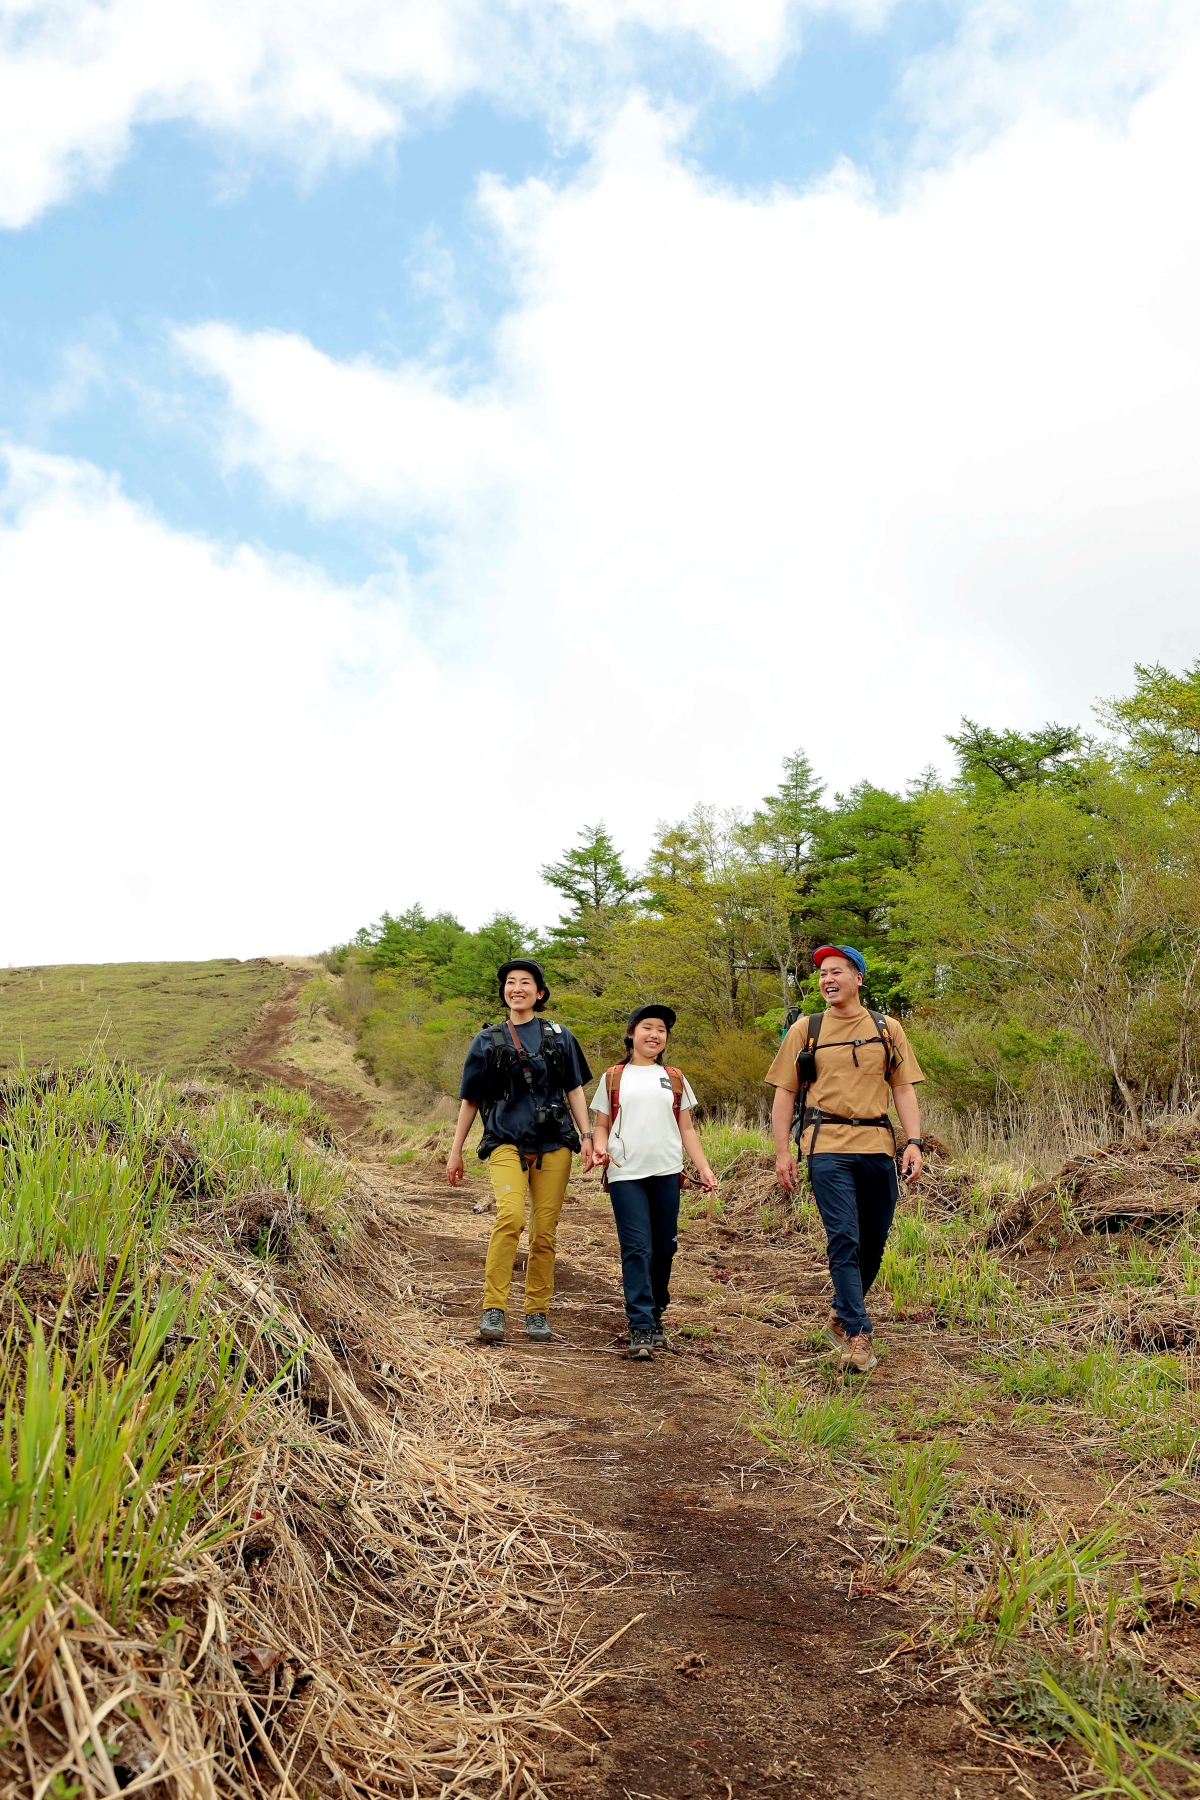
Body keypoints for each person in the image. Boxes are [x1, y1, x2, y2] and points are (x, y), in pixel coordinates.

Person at [765, 946, 924, 1376]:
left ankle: (840, 1311)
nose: (826, 979)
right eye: (821, 974)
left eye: (836, 971)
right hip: (826, 1146)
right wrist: (784, 1152)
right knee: (844, 1238)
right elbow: (784, 1094)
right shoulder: (806, 1030)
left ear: (858, 978)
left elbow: (904, 1088)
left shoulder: (887, 1028)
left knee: (873, 1242)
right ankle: (858, 1332)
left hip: (876, 1146)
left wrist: (914, 1142)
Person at [447, 959, 593, 1344]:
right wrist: (455, 1149)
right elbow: (471, 1100)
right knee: (510, 1218)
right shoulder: (486, 1040)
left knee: (545, 1231)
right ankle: (494, 1307)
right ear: (504, 993)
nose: (517, 988)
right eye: (510, 983)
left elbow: (575, 1090)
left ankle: (537, 1312)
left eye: (525, 982)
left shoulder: (561, 1037)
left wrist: (589, 1135)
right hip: (505, 1142)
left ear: (539, 993)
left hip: (555, 1145)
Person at [590, 1005, 718, 1362]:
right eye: (648, 1027)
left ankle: (656, 1311)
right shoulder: (614, 1077)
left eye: (661, 1030)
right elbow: (601, 1124)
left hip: (667, 1172)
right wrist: (600, 1148)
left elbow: (687, 1128)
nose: (655, 1035)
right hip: (625, 1173)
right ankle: (640, 1324)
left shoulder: (674, 1077)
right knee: (637, 1248)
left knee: (664, 1248)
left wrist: (703, 1168)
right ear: (631, 1033)